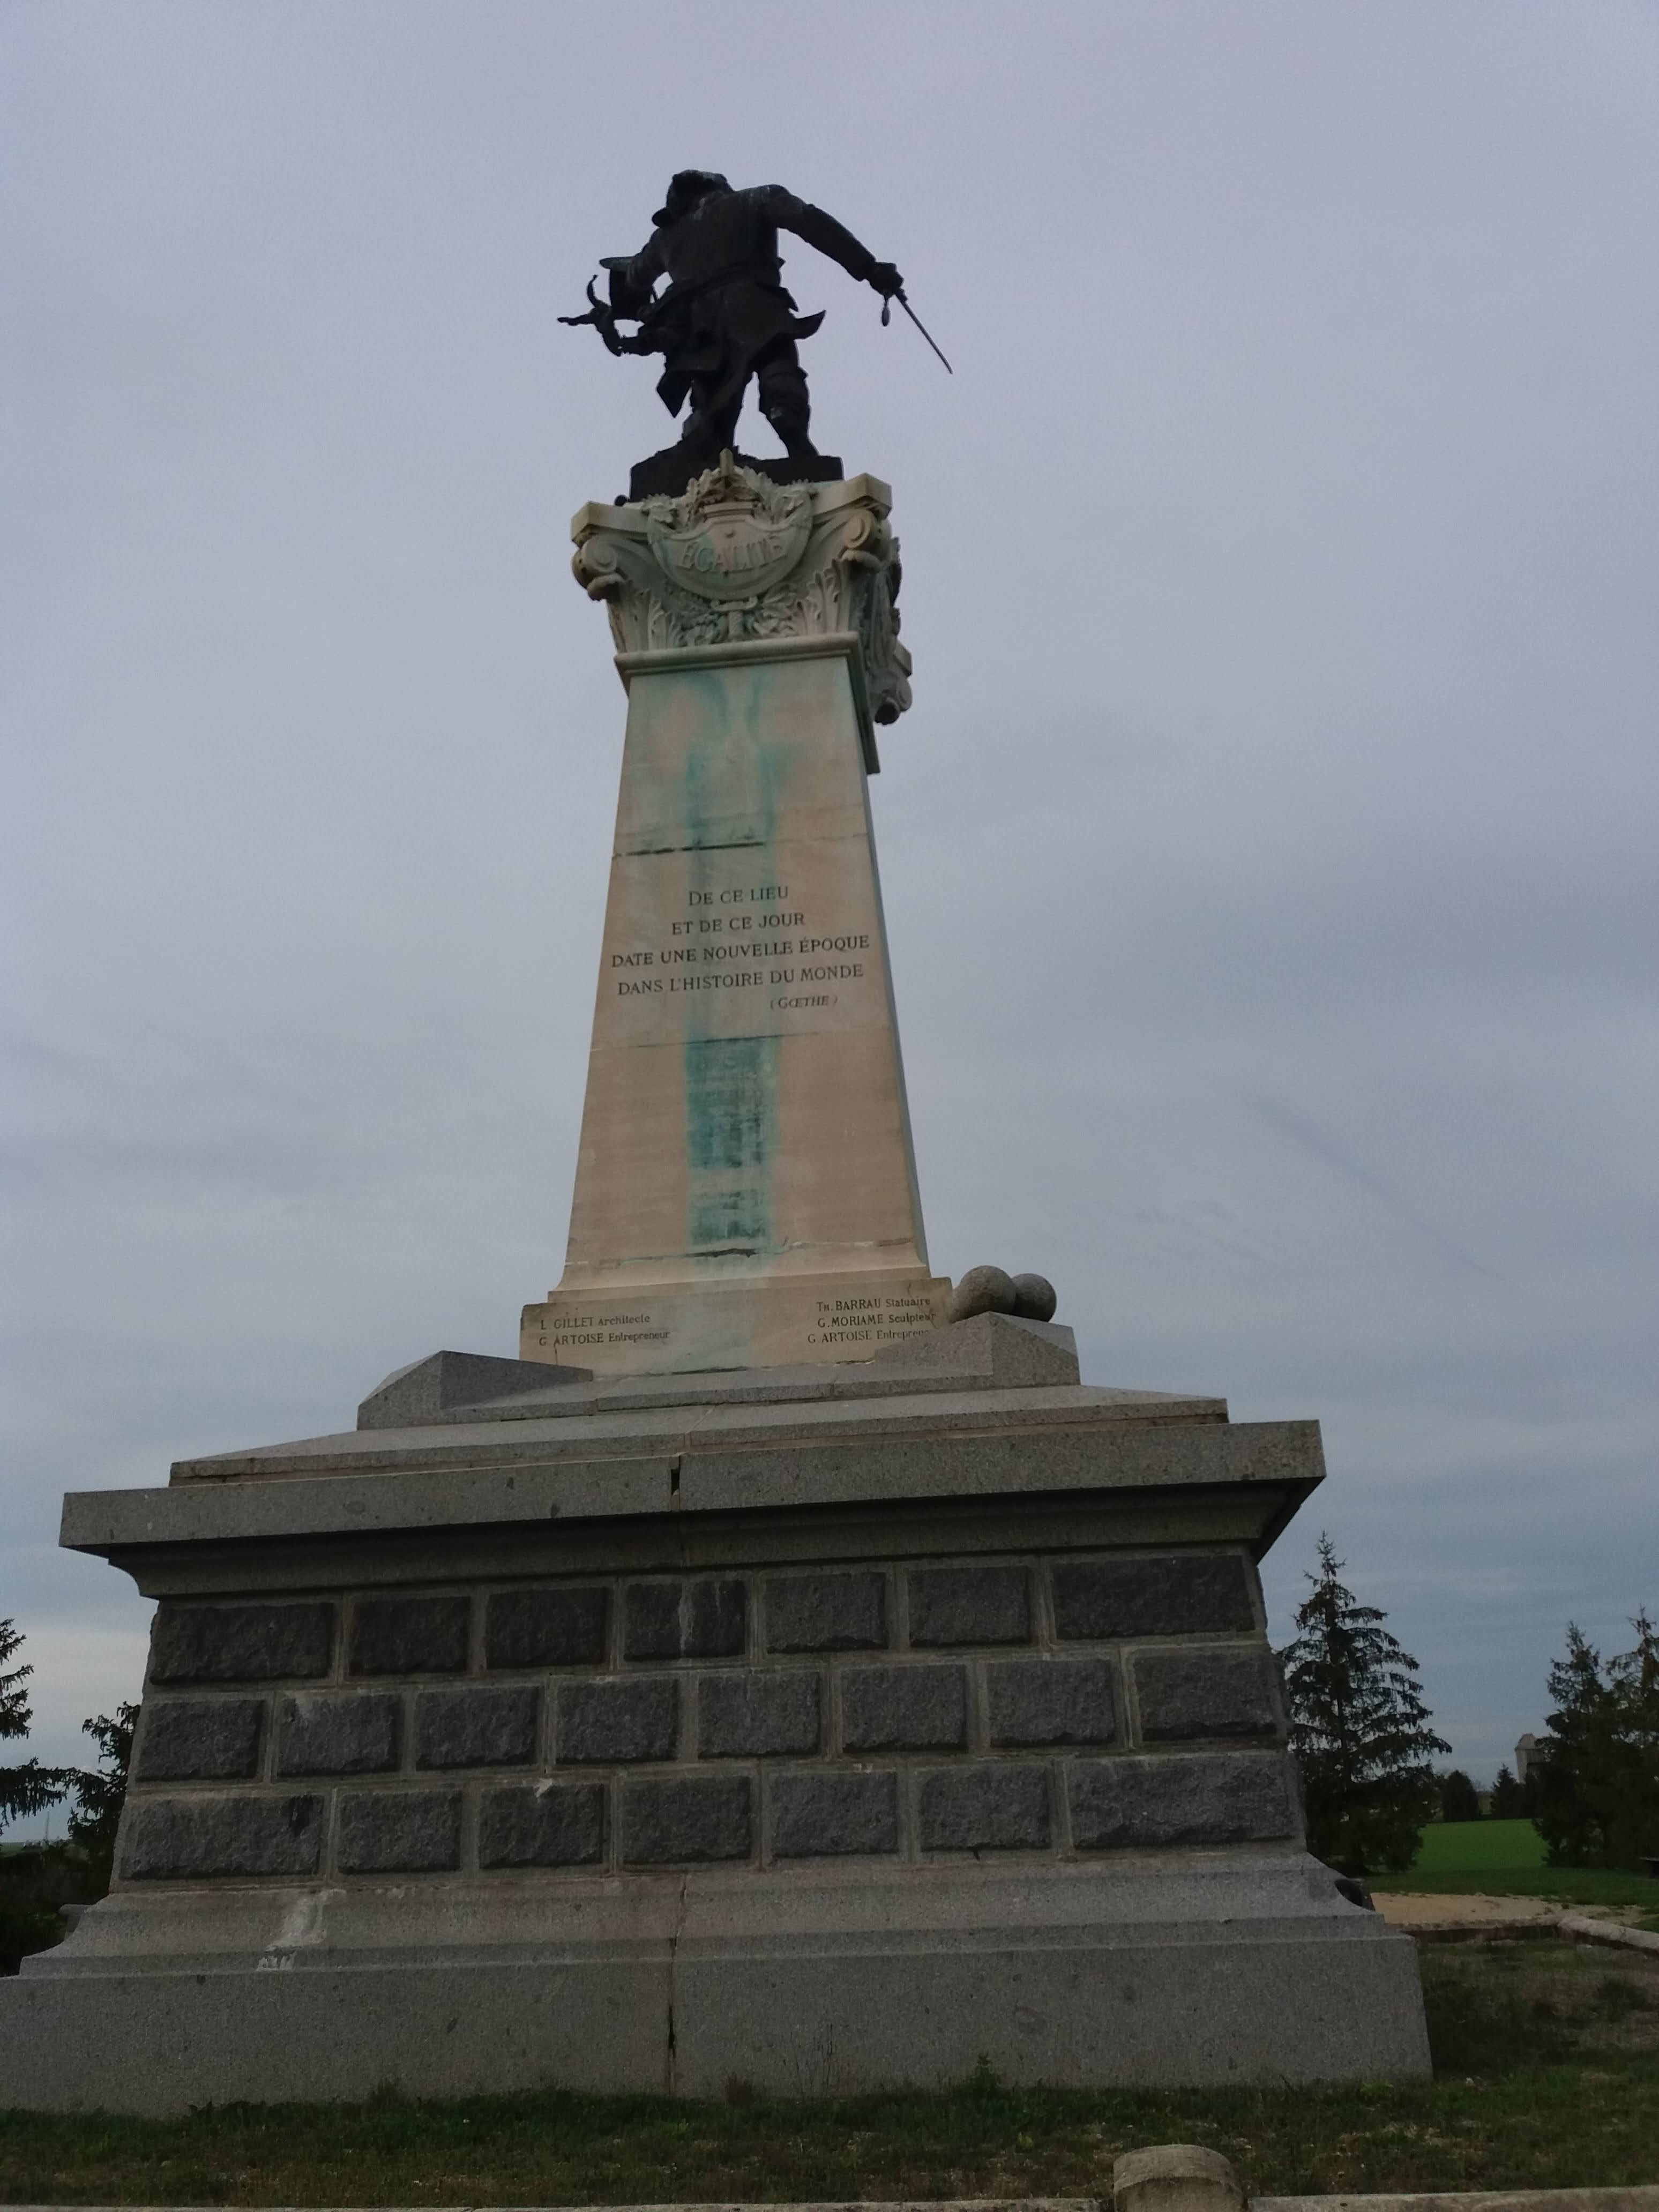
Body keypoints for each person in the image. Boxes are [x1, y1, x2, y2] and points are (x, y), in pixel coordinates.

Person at [595, 171, 902, 481]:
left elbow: (634, 275)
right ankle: (787, 421)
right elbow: (812, 223)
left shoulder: (665, 237)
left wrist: (624, 308)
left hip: (700, 330)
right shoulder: (758, 199)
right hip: (757, 305)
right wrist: (869, 267)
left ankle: (707, 450)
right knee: (776, 366)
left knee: (713, 406)